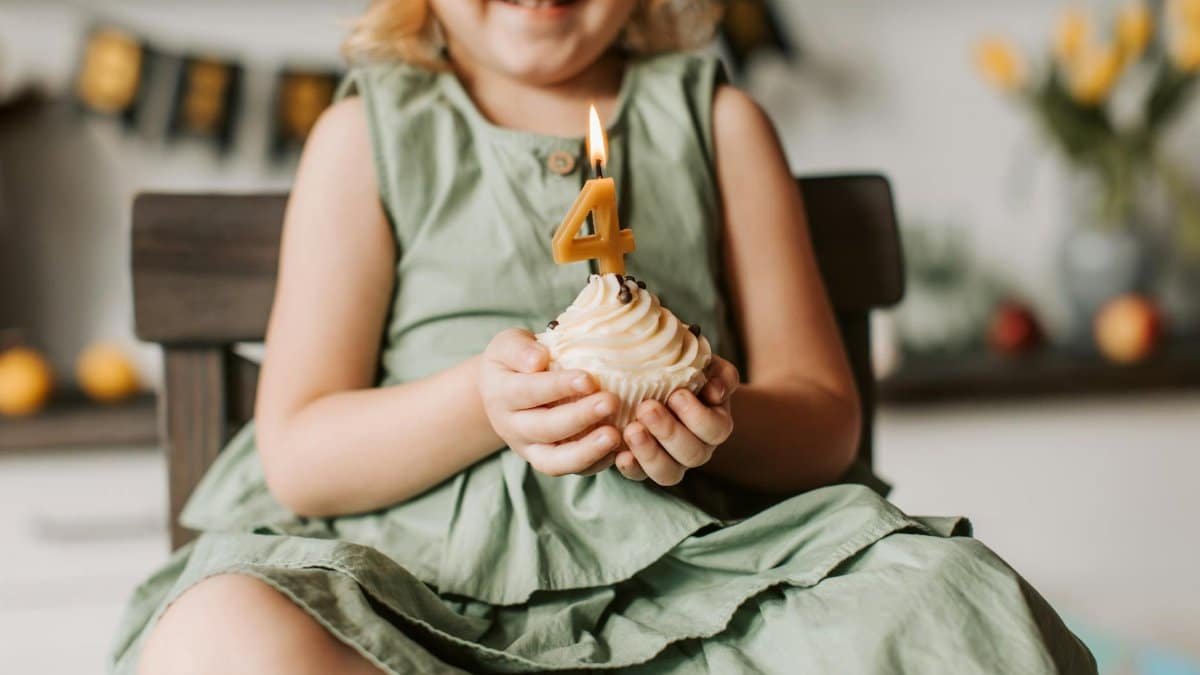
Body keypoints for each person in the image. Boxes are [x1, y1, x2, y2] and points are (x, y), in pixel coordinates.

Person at [114, 1, 1096, 673]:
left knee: (952, 606)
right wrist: (480, 405)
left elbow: (824, 422)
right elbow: (300, 455)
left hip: (706, 591)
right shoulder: (368, 136)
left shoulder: (718, 122)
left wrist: (720, 414)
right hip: (413, 604)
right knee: (221, 638)